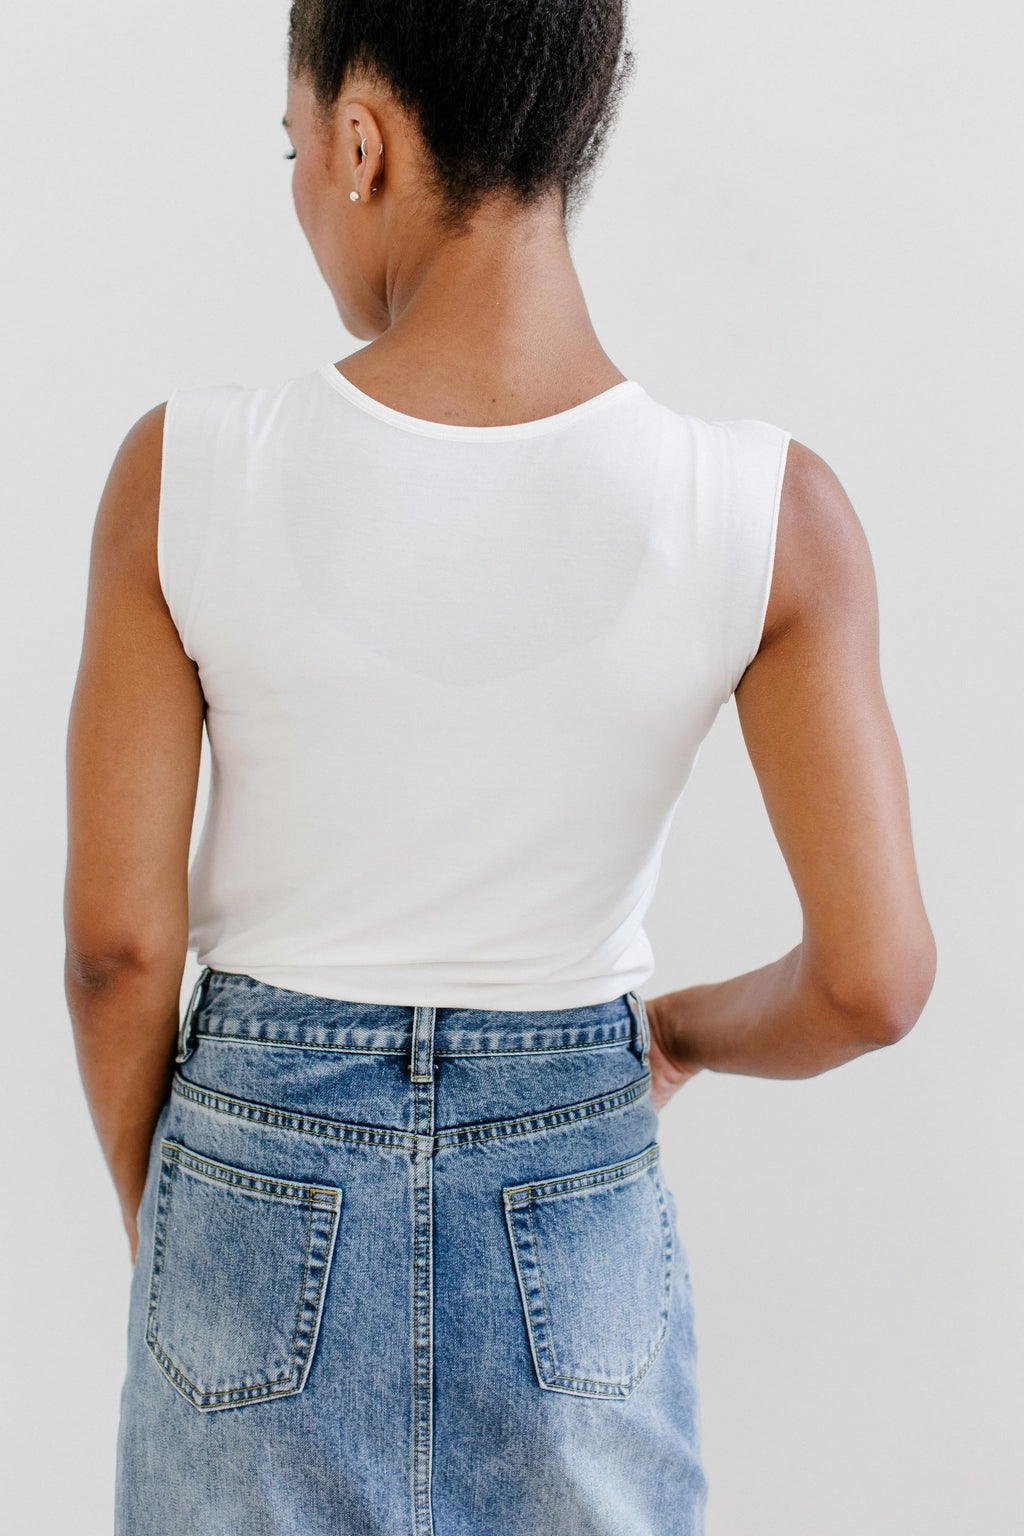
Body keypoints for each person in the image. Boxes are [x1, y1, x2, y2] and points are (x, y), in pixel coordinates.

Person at [63, 3, 936, 1533]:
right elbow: (875, 980)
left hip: (251, 1177)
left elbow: (118, 954)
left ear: (359, 139)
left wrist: (194, 1229)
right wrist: (680, 1033)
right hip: (576, 1193)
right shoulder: (771, 515)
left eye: (291, 145)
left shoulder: (184, 473)